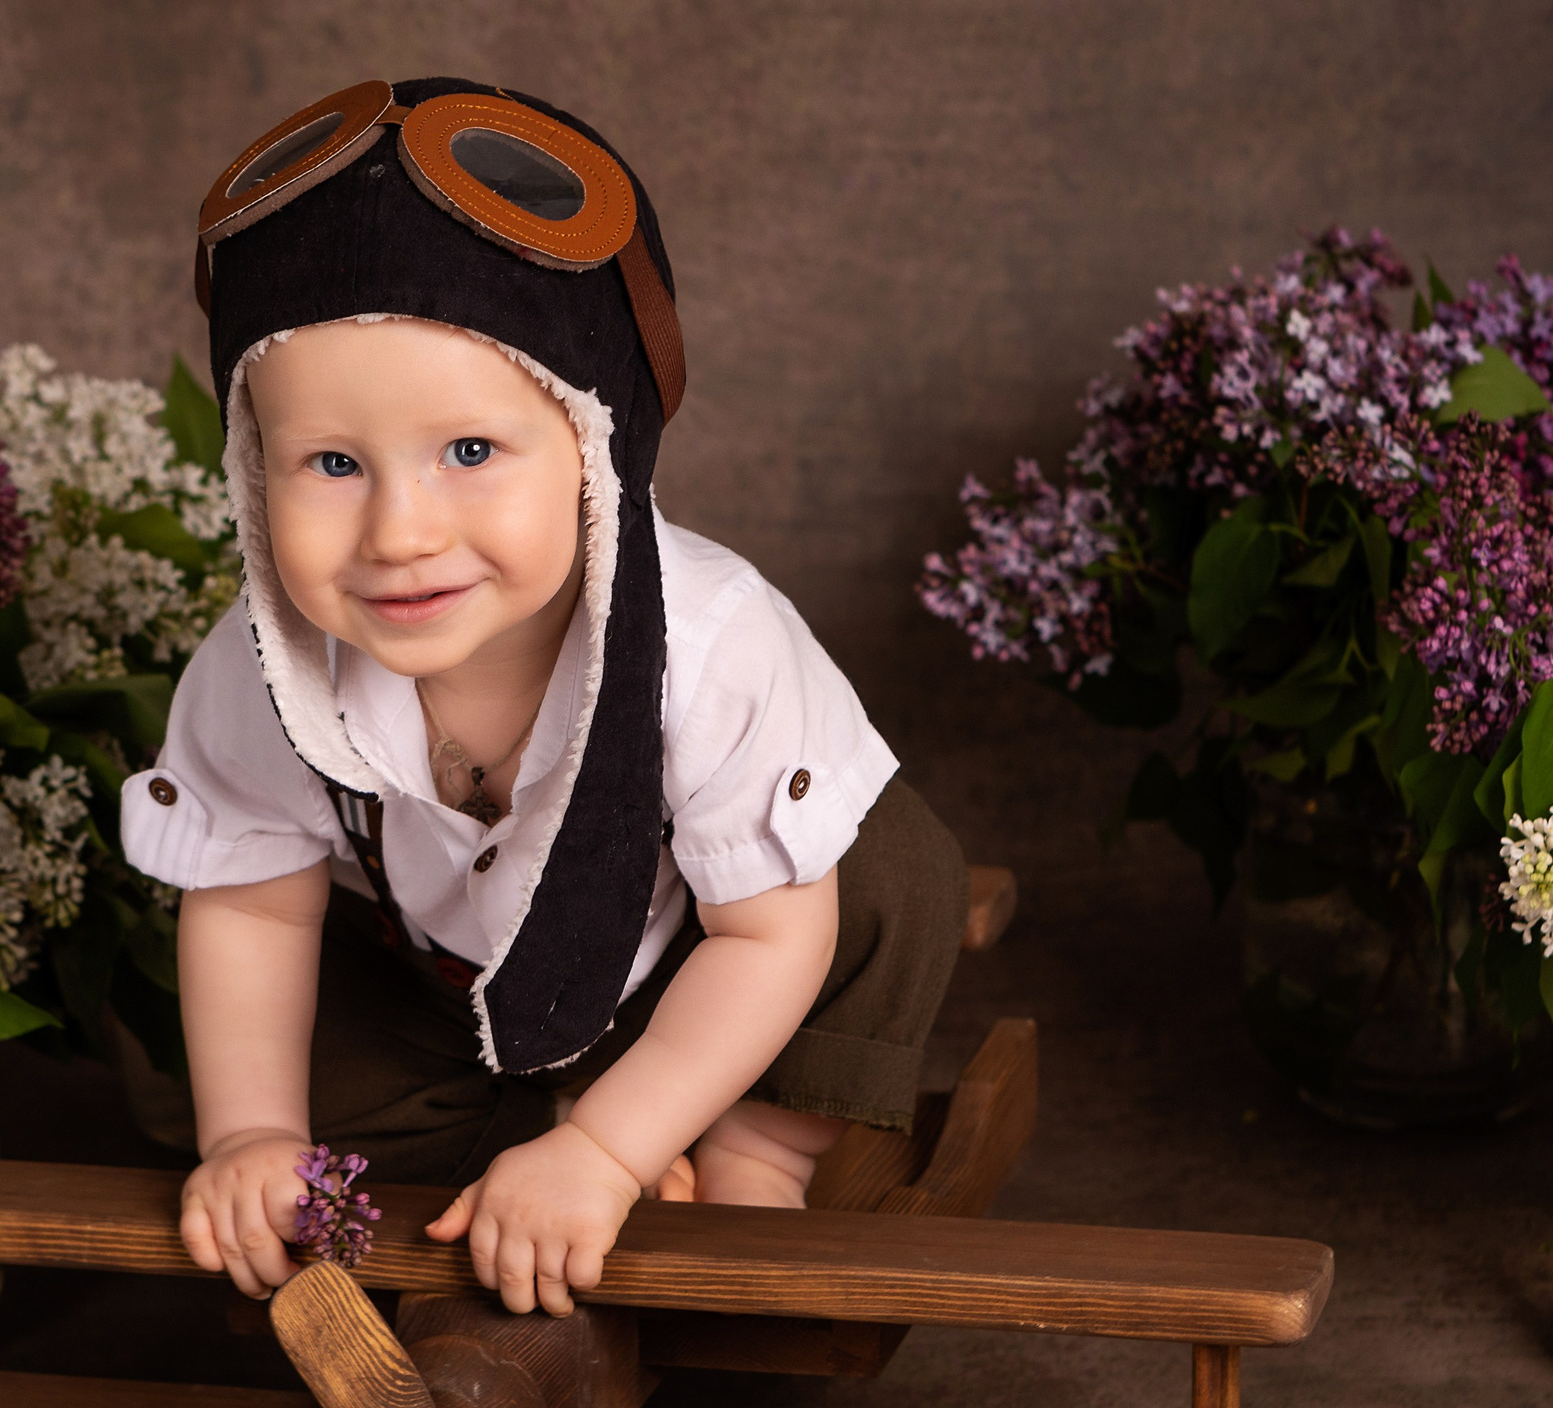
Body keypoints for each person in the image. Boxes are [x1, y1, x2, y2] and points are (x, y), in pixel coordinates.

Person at [124, 77, 966, 1319]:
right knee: (189, 1022)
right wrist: (250, 1131)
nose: (401, 533)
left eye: (469, 452)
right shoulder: (263, 661)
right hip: (443, 978)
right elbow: (252, 912)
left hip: (700, 974)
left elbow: (767, 940)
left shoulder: (714, 645)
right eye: (333, 464)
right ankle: (505, 1125)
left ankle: (745, 1142)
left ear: (594, 441)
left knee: (882, 879)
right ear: (258, 473)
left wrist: (608, 1151)